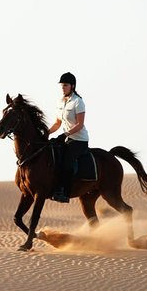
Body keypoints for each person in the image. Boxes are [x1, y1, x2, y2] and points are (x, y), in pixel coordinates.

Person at [47, 72, 89, 203]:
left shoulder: (78, 102)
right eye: (61, 85)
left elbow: (80, 125)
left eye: (65, 85)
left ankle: (64, 192)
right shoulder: (60, 102)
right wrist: (46, 133)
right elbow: (57, 123)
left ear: (72, 86)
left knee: (66, 160)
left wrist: (65, 134)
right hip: (66, 138)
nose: (63, 88)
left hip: (79, 140)